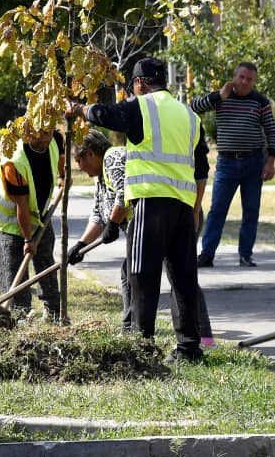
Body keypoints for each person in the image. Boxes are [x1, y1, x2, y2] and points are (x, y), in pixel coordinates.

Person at [68, 56, 209, 362]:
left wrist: (79, 109)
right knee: (183, 279)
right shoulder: (189, 115)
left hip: (149, 201)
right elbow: (202, 170)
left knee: (142, 275)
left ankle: (140, 348)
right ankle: (189, 348)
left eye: (133, 86)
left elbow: (107, 114)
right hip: (184, 207)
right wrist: (195, 210)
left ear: (140, 83)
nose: (132, 91)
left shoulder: (142, 106)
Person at [67, 131, 215, 347]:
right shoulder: (101, 178)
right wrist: (81, 245)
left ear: (90, 153)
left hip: (172, 212)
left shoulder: (113, 157)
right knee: (134, 271)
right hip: (156, 218)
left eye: (79, 161)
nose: (79, 167)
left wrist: (114, 223)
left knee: (177, 273)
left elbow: (124, 193)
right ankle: (131, 328)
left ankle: (197, 336)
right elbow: (98, 216)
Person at [190, 61, 275, 268]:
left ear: (254, 81)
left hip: (253, 163)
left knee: (251, 210)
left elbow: (272, 131)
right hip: (227, 163)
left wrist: (270, 161)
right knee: (217, 209)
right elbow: (193, 107)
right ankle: (207, 254)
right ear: (234, 77)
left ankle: (245, 255)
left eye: (249, 79)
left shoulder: (260, 101)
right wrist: (218, 96)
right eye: (241, 77)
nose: (244, 82)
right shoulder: (222, 97)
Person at [0, 126, 64, 317]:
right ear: (30, 132)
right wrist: (28, 240)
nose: (47, 137)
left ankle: (54, 312)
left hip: (39, 215)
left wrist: (63, 176)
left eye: (49, 132)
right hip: (11, 219)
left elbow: (60, 156)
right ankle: (20, 315)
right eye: (42, 133)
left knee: (45, 261)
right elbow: (21, 205)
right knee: (17, 267)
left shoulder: (55, 138)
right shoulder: (14, 162)